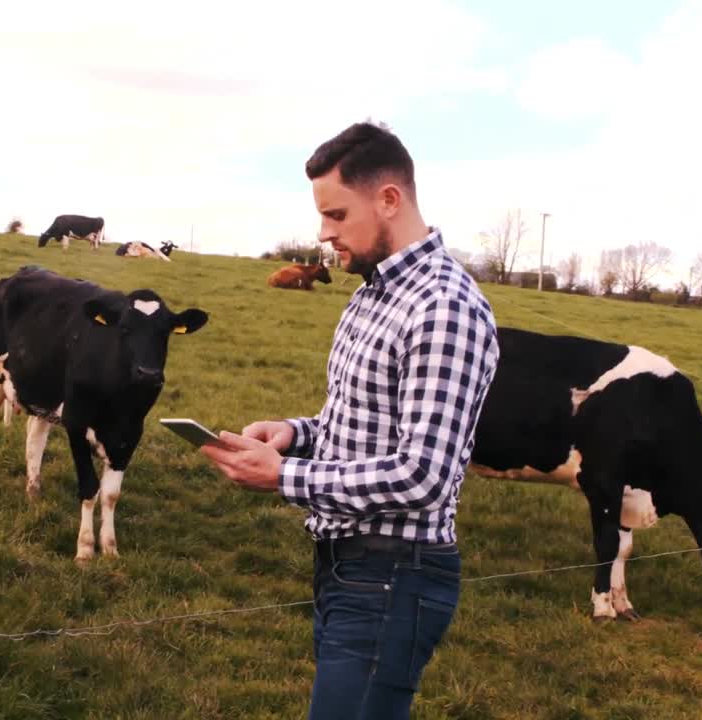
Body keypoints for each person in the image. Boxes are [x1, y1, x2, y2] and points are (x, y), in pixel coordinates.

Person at [200, 120, 500, 719]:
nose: (324, 233)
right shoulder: (370, 295)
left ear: (389, 199)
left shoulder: (442, 307)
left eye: (337, 214)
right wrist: (294, 433)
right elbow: (360, 422)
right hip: (348, 565)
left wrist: (284, 477)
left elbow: (423, 475)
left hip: (394, 573)